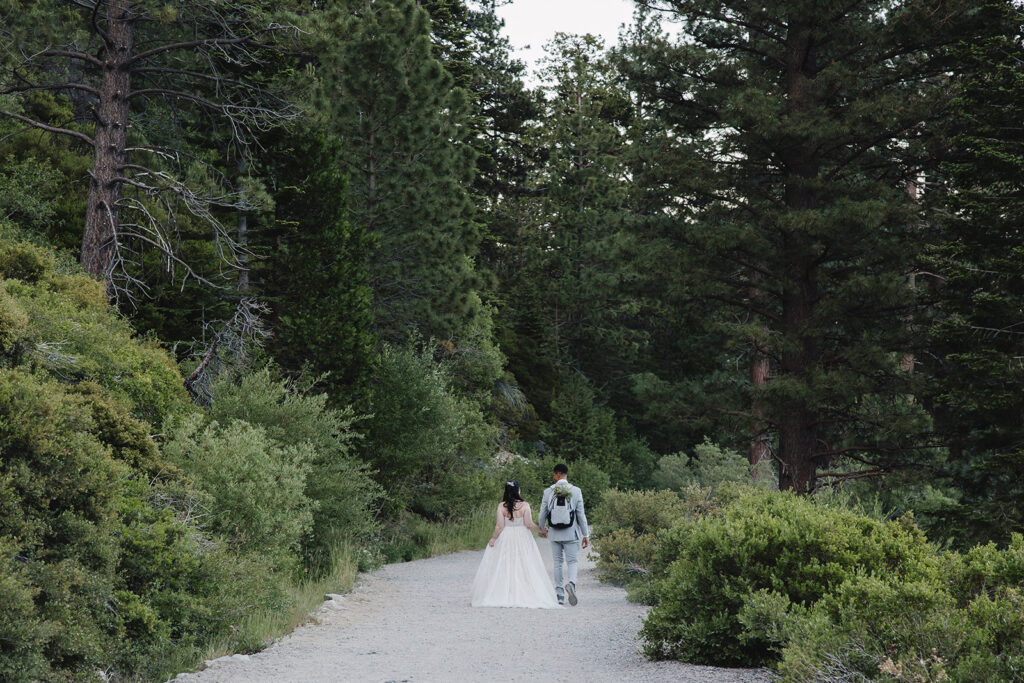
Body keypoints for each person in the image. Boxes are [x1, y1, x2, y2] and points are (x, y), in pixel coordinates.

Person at [470, 481, 561, 608]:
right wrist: (542, 530)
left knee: (505, 563)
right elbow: (529, 524)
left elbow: (500, 526)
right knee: (525, 563)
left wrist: (493, 538)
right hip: (523, 536)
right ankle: (526, 591)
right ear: (518, 491)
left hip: (506, 536)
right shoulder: (525, 505)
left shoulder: (501, 506)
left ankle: (505, 591)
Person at [538, 463, 589, 606]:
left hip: (554, 533)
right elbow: (581, 515)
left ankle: (559, 594)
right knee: (572, 561)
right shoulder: (576, 491)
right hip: (571, 533)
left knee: (558, 562)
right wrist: (585, 534)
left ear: (557, 474)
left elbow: (542, 514)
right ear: (566, 475)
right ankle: (571, 584)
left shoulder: (548, 492)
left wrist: (542, 528)